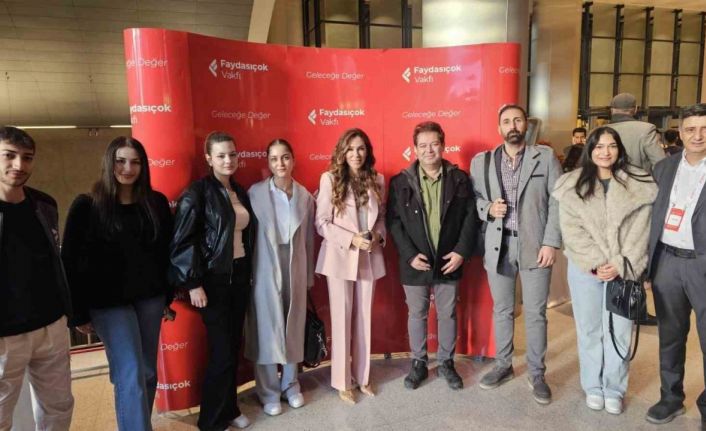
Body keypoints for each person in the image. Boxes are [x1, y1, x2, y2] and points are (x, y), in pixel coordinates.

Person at [62, 136, 173, 431]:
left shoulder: (156, 203)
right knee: (130, 372)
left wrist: (167, 297)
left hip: (150, 299)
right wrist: (77, 314)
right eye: (121, 161)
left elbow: (165, 253)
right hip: (108, 304)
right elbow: (70, 262)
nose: (127, 168)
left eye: (135, 162)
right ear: (109, 163)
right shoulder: (87, 206)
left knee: (147, 372)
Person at [552, 127, 656, 415]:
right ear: (590, 150)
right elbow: (571, 230)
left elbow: (642, 231)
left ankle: (614, 388)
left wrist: (621, 263)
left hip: (624, 271)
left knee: (619, 331)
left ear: (619, 150)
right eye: (599, 146)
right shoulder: (571, 184)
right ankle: (593, 386)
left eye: (611, 146)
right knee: (589, 330)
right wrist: (596, 262)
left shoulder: (640, 184)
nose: (605, 152)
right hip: (585, 269)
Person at [470, 104, 562, 405]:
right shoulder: (482, 162)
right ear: (499, 128)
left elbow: (558, 201)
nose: (512, 126)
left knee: (535, 313)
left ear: (526, 125)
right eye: (507, 121)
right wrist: (487, 209)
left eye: (517, 120)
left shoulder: (545, 157)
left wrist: (551, 242)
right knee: (503, 309)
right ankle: (503, 365)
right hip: (499, 245)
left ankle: (537, 373)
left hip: (535, 246)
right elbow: (474, 199)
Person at [170, 131, 255, 431]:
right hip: (213, 282)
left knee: (232, 348)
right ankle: (211, 421)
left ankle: (230, 408)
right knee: (221, 353)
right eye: (221, 155)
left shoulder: (239, 191)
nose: (228, 160)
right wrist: (193, 283)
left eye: (232, 154)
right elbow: (182, 241)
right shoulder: (197, 193)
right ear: (209, 158)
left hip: (239, 277)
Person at [386, 121, 476, 391]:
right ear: (414, 149)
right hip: (415, 261)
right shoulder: (400, 182)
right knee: (417, 313)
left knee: (447, 313)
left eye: (434, 144)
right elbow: (393, 222)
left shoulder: (459, 179)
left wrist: (461, 252)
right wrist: (409, 255)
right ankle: (419, 363)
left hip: (449, 259)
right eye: (423, 145)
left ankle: (447, 362)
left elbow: (470, 217)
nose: (429, 150)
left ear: (443, 146)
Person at [0, 126, 74, 430]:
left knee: (58, 406)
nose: (19, 165)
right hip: (5, 335)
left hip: (51, 325)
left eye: (27, 157)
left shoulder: (44, 204)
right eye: (9, 155)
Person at [645, 103, 706, 425]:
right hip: (667, 261)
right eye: (691, 129)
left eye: (704, 129)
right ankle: (670, 397)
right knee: (670, 335)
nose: (698, 135)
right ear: (680, 132)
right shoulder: (664, 168)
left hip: (702, 263)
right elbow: (651, 217)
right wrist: (646, 266)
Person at [315, 128, 386, 404]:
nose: (356, 154)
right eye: (351, 149)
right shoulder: (330, 179)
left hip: (369, 256)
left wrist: (378, 236)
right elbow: (321, 222)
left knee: (365, 318)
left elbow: (382, 218)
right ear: (342, 152)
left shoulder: (378, 179)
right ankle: (342, 381)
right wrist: (351, 239)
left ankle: (363, 377)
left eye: (361, 148)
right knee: (341, 319)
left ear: (367, 152)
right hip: (340, 257)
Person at [244, 139, 315, 416]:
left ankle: (291, 384)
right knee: (266, 329)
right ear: (268, 162)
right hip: (264, 265)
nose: (280, 163)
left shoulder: (305, 196)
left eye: (285, 157)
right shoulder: (255, 193)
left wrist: (308, 276)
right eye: (274, 159)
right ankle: (268, 391)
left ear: (293, 159)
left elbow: (309, 239)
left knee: (292, 326)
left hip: (295, 264)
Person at [609, 92, 665, 173]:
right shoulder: (646, 129)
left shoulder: (599, 131)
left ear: (611, 110)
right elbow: (660, 163)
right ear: (635, 109)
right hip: (639, 179)